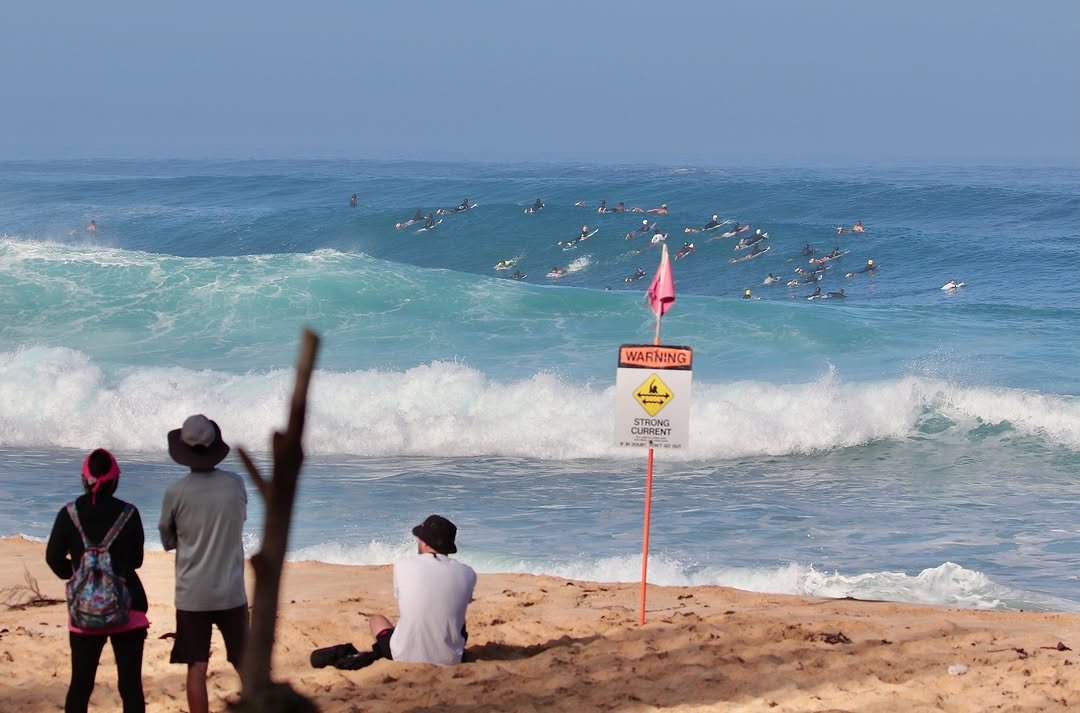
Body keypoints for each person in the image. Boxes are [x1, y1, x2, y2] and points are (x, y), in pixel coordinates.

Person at [47, 448, 148, 713]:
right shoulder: (129, 513)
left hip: (85, 611)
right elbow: (136, 561)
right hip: (129, 607)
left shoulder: (69, 514)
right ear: (115, 481)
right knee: (131, 687)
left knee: (80, 686)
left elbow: (53, 558)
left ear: (84, 479)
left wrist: (80, 574)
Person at [159, 415, 248, 713]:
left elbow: (168, 540)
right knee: (244, 663)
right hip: (231, 591)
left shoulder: (176, 492)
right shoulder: (235, 484)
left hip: (192, 594)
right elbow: (240, 520)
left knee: (196, 667)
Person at [362, 515, 477, 667]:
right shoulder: (468, 572)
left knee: (377, 620)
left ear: (424, 542)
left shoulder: (403, 566)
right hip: (451, 658)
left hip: (403, 655)